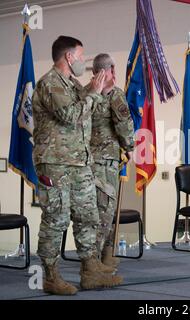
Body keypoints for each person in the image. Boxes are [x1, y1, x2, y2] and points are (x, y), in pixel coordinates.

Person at [32, 36, 122, 295]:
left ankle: (90, 271)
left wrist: (97, 89)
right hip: (55, 163)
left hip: (80, 162)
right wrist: (93, 93)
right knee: (56, 219)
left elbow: (83, 106)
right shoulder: (50, 83)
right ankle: (50, 276)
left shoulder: (72, 85)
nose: (85, 61)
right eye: (82, 56)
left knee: (88, 216)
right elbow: (70, 116)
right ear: (69, 57)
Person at [86, 54, 134, 268]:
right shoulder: (114, 94)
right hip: (105, 162)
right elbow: (123, 125)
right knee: (104, 212)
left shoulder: (85, 92)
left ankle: (105, 256)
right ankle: (94, 262)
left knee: (97, 211)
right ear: (111, 70)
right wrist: (130, 147)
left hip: (85, 161)